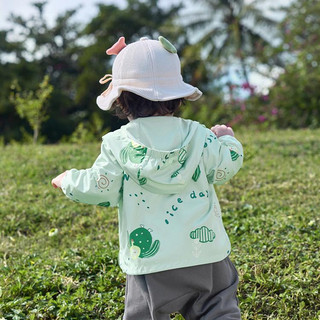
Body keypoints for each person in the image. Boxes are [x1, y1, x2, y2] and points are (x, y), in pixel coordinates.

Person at [52, 36, 243, 320]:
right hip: (206, 255)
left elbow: (100, 187)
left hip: (151, 263)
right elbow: (226, 167)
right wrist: (228, 141)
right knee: (219, 309)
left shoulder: (118, 144)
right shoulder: (200, 135)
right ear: (177, 96)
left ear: (120, 99)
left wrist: (69, 180)